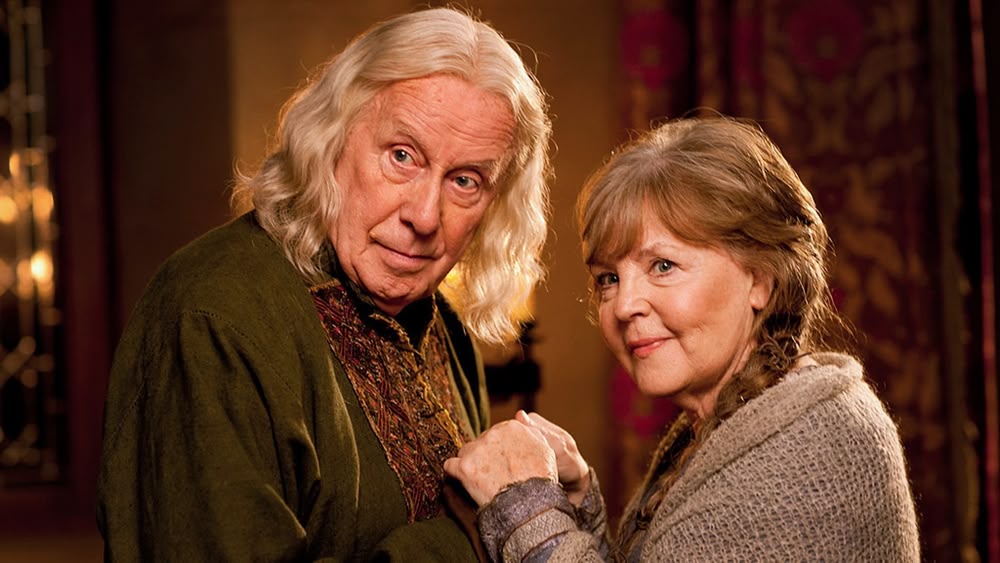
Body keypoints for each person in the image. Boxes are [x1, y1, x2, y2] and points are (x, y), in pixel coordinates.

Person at [96, 7, 552, 561]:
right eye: (402, 156)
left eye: (465, 181)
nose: (425, 215)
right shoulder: (211, 316)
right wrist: (480, 528)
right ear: (332, 137)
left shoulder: (446, 327)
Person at [444, 116, 921, 561]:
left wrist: (528, 510)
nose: (624, 305)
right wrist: (578, 502)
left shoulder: (810, 450)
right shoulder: (742, 416)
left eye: (663, 266)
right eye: (608, 278)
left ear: (760, 280)